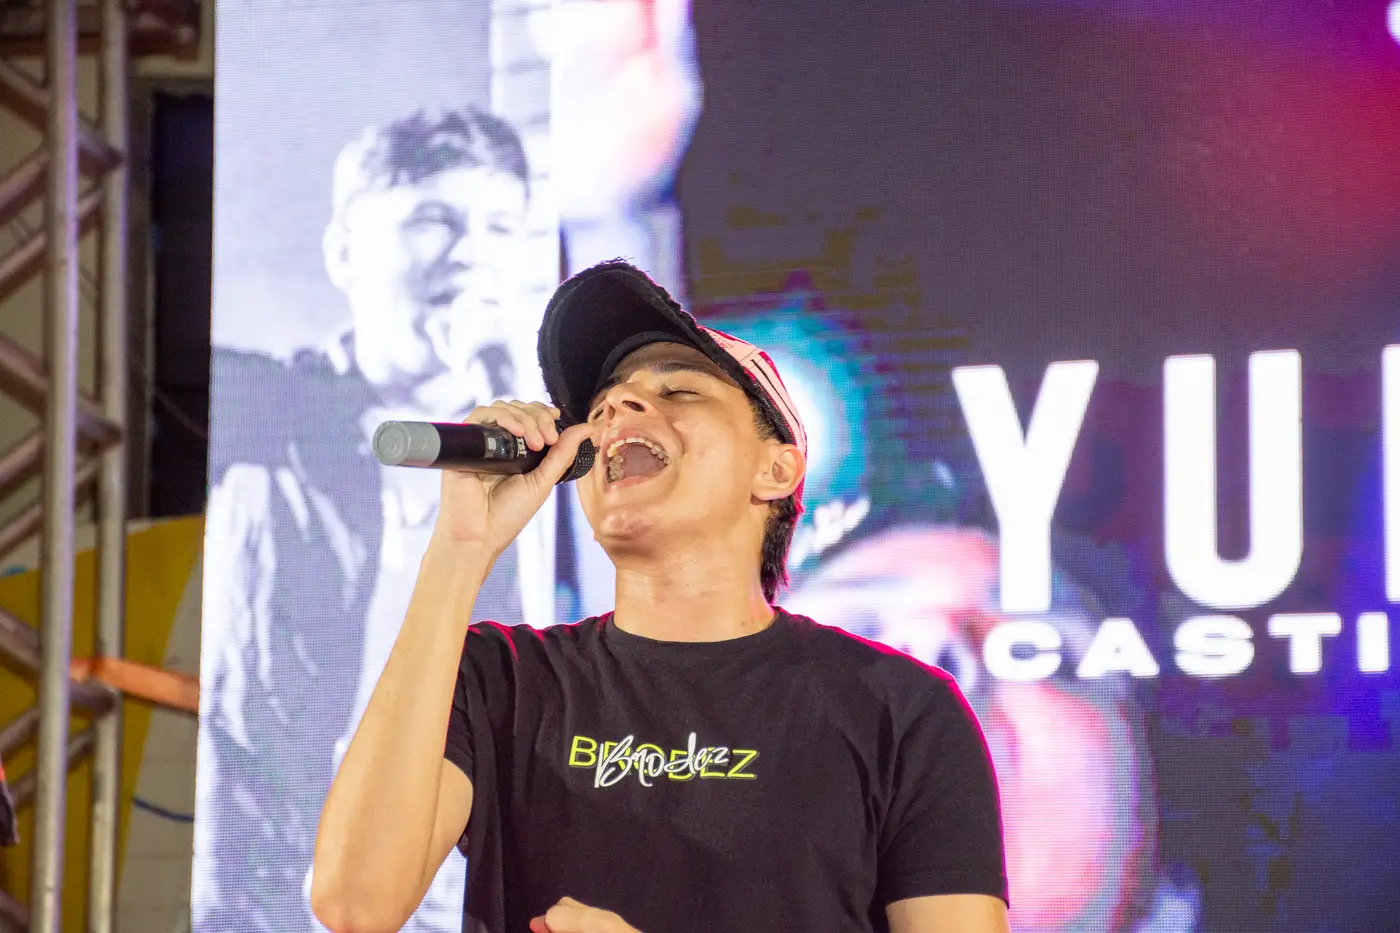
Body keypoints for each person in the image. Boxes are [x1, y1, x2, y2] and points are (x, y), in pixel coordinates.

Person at [311, 259, 1011, 933]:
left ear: (776, 469)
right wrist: (461, 549)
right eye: (602, 402)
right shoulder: (502, 679)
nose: (617, 405)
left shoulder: (900, 709)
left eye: (679, 391)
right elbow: (355, 902)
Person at [196, 107, 552, 933]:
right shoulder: (267, 411)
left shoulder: (544, 458)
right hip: (266, 888)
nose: (469, 252)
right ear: (345, 253)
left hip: (450, 891)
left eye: (500, 226)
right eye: (432, 220)